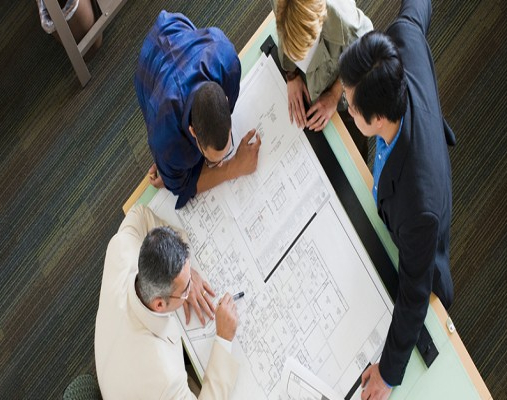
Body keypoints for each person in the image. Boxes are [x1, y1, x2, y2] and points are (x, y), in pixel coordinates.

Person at [338, 0, 456, 399]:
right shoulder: (403, 37)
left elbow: (414, 294)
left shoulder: (417, 207)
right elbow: (416, 9)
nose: (345, 105)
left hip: (422, 240)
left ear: (376, 119)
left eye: (350, 104)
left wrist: (388, 374)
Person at [95, 204, 239, 399]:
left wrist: (184, 274)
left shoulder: (121, 247)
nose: (193, 286)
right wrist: (224, 338)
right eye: (186, 288)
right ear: (160, 304)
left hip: (113, 359)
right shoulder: (165, 378)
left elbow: (138, 213)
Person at [135, 11, 261, 210]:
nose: (219, 164)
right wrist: (233, 167)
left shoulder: (228, 62)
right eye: (211, 162)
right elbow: (181, 186)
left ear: (226, 99)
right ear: (192, 131)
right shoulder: (165, 137)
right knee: (172, 164)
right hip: (149, 68)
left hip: (179, 31)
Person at [271, 0, 373, 160]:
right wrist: (292, 75)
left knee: (352, 150)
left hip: (342, 89)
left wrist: (335, 94)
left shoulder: (346, 22)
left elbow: (366, 51)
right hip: (308, 80)